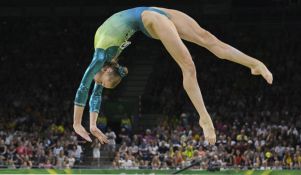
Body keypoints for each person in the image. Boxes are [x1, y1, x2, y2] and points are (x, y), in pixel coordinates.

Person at [73, 7, 273, 145]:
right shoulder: (106, 62)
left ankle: (253, 64)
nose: (96, 82)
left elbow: (84, 87)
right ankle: (206, 116)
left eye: (99, 80)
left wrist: (77, 124)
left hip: (153, 16)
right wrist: (92, 125)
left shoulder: (99, 57)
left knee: (206, 43)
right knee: (192, 60)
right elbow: (96, 93)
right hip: (151, 15)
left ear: (107, 70)